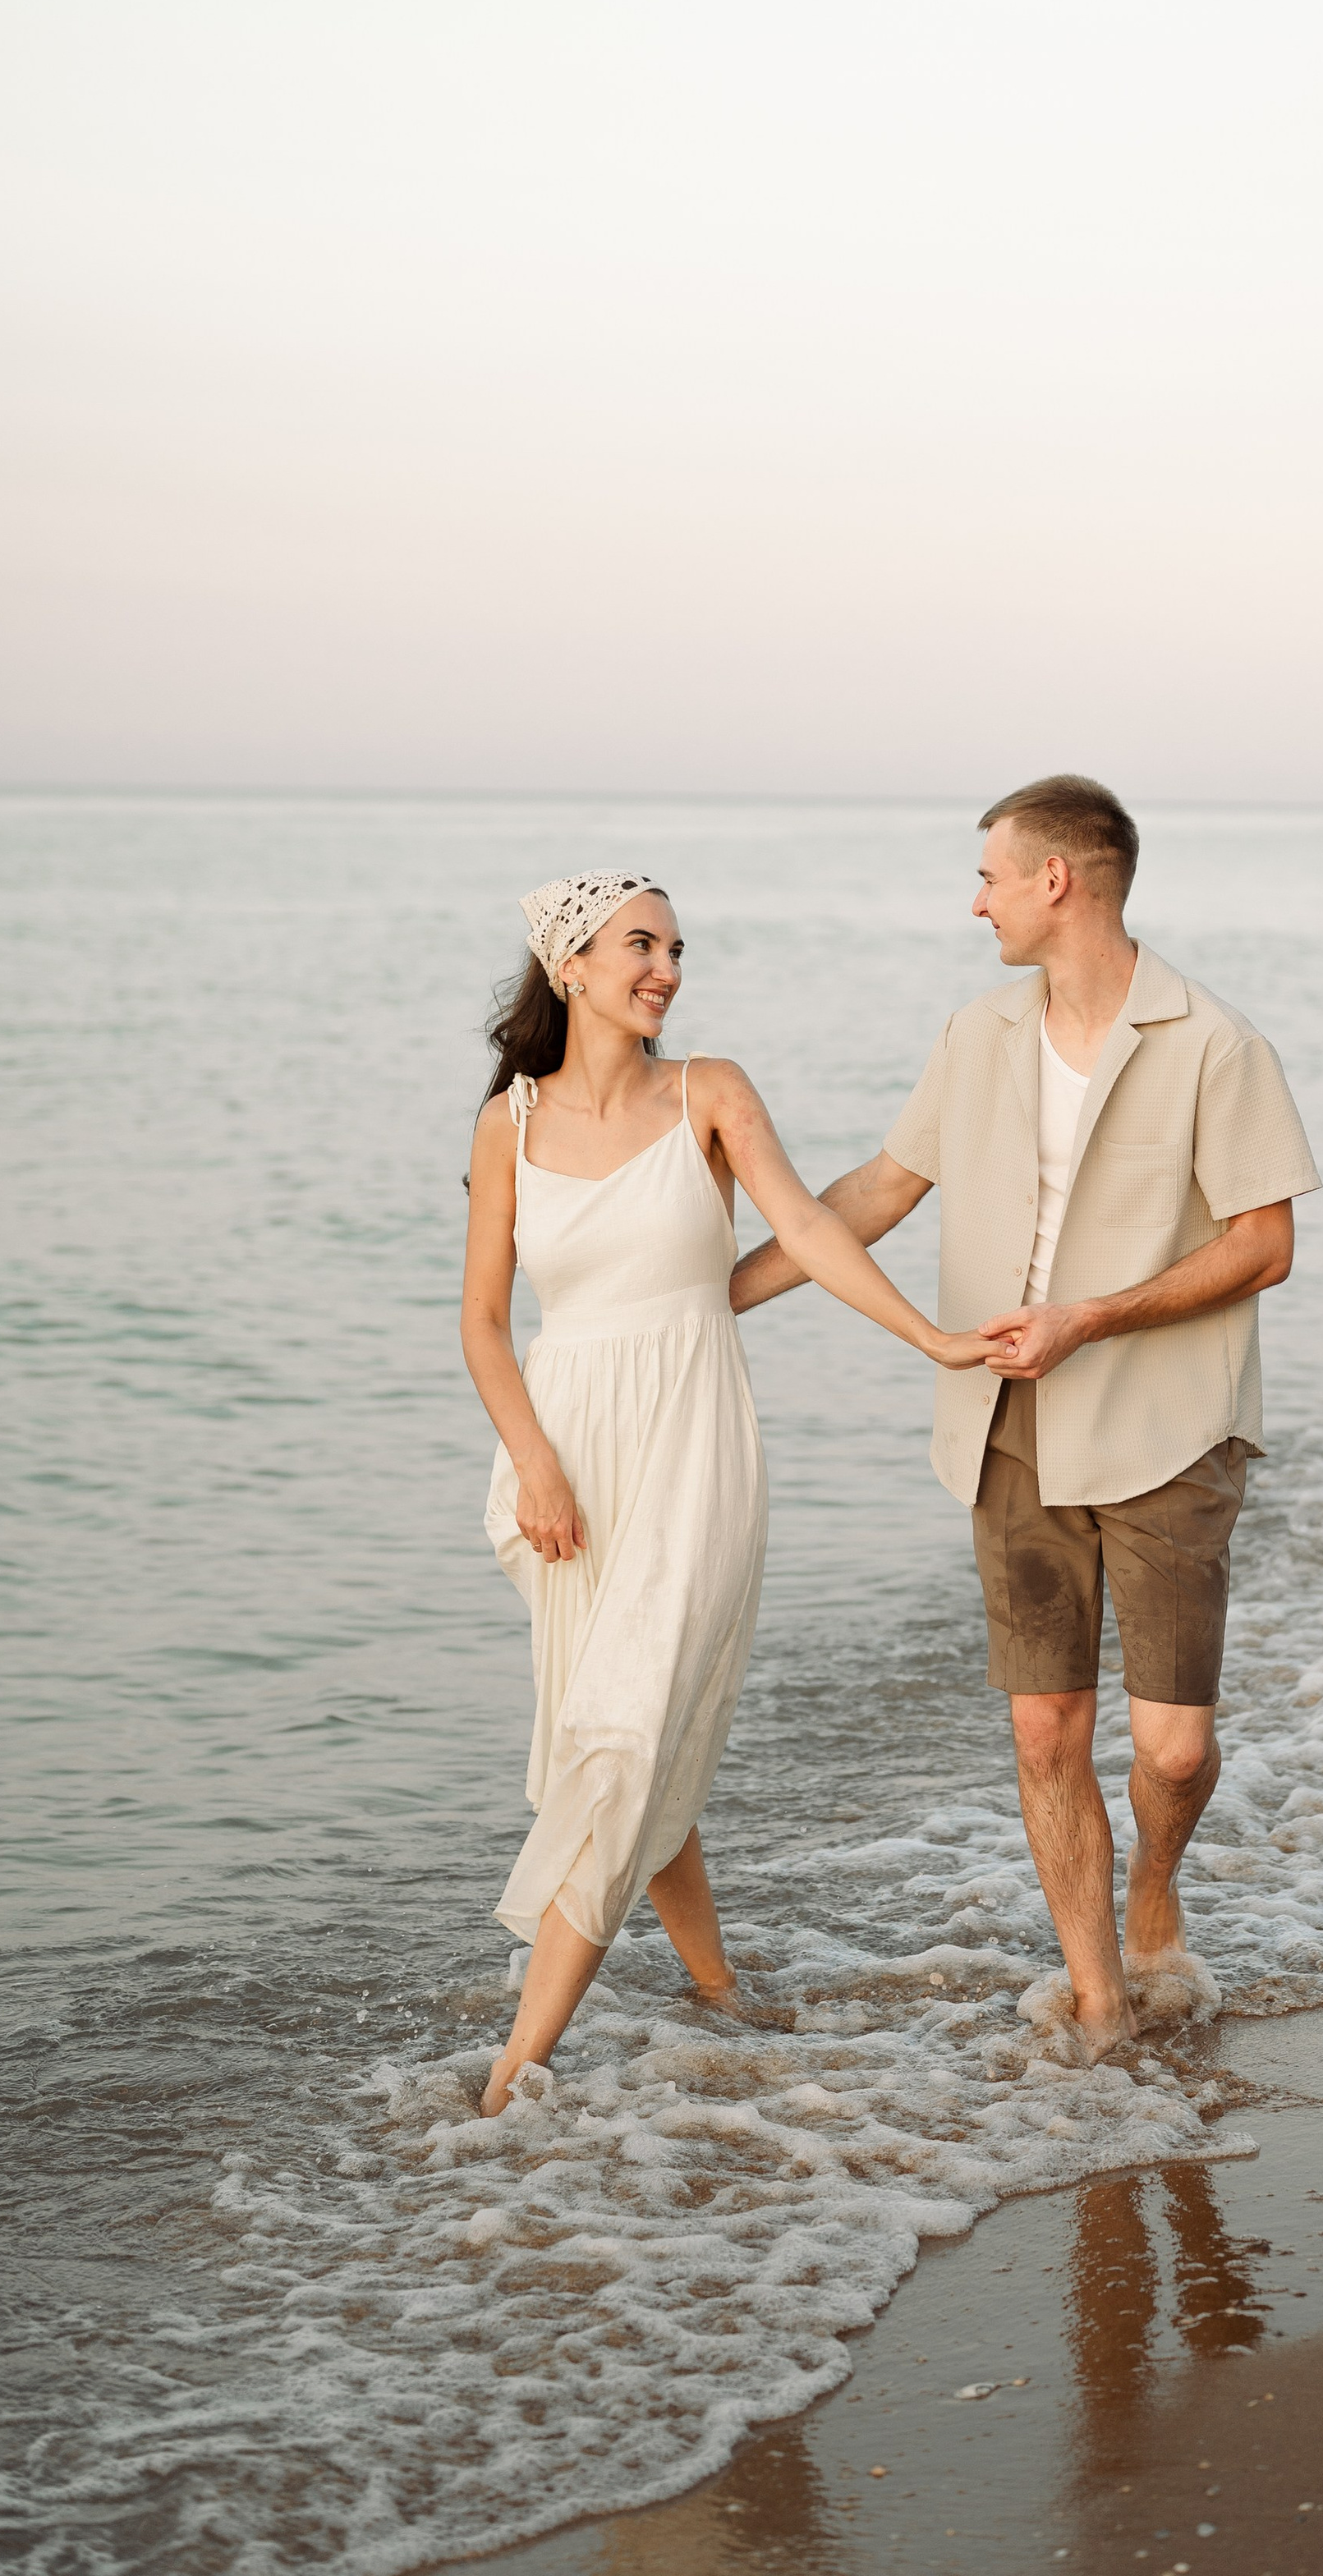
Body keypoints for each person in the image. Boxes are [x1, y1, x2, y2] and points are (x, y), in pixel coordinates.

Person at [730, 777, 1320, 2056]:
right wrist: (721, 1295)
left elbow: (1265, 1244)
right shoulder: (978, 1033)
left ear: (1058, 880)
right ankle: (1101, 2001)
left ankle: (1156, 1883)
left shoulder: (1216, 1042)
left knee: (1168, 1751)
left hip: (1169, 1424)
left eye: (990, 873)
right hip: (1008, 1423)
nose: (976, 897)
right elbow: (881, 1190)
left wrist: (1090, 1317)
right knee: (1047, 1723)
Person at [461, 871, 985, 2112]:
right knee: (634, 1728)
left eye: (678, 948)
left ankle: (512, 2077)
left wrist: (932, 1340)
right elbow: (485, 1325)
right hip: (566, 1456)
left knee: (628, 1731)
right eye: (641, 944)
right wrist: (534, 1460)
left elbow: (805, 1229)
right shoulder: (510, 1127)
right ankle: (714, 1985)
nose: (668, 969)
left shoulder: (712, 1090)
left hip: (695, 1442)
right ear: (570, 965)